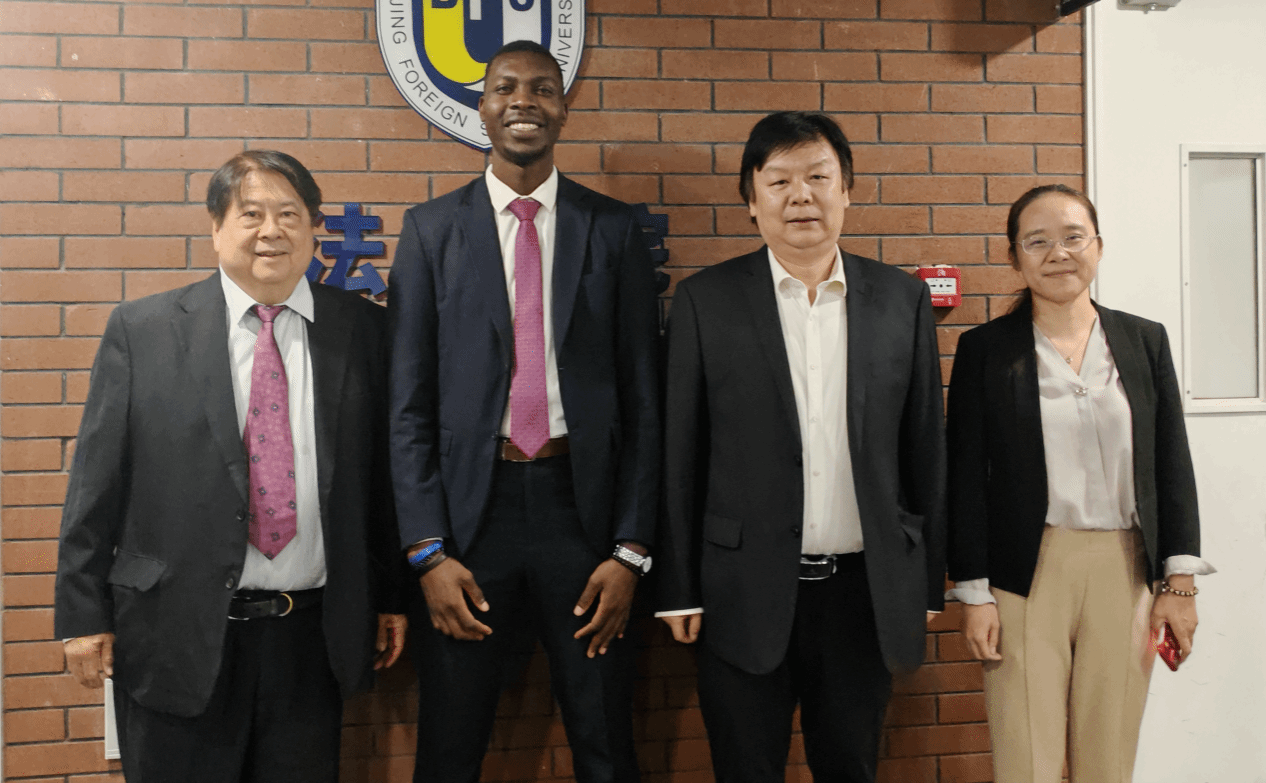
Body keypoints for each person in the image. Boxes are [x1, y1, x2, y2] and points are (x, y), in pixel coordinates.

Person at [54, 150, 407, 783]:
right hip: (174, 631)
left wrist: (389, 596)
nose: (272, 231)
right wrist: (83, 615)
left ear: (315, 228)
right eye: (251, 214)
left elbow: (380, 481)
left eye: (289, 214)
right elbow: (96, 483)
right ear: (216, 228)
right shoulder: (144, 330)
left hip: (310, 637)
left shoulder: (363, 330)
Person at [388, 40, 661, 783]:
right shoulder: (431, 231)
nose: (523, 102)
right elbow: (407, 406)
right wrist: (426, 552)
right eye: (506, 87)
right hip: (470, 523)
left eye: (542, 89)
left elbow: (645, 403)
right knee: (450, 746)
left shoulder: (612, 230)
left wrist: (632, 550)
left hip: (585, 516)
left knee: (605, 741)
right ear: (480, 107)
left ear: (563, 109)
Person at [657, 111, 947, 783]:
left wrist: (926, 582)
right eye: (780, 180)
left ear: (848, 190)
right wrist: (678, 589)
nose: (801, 196)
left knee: (850, 767)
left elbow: (924, 447)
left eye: (818, 177)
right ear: (751, 199)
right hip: (740, 592)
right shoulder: (705, 301)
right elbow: (679, 456)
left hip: (863, 594)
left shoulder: (900, 299)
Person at [945, 184, 1214, 783]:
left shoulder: (1144, 340)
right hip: (1024, 571)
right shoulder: (985, 350)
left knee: (1108, 755)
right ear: (1014, 257)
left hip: (1126, 568)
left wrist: (1180, 585)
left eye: (1073, 237)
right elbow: (964, 476)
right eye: (1037, 241)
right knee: (1027, 756)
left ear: (1098, 246)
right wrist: (973, 592)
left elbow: (1172, 463)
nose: (1058, 253)